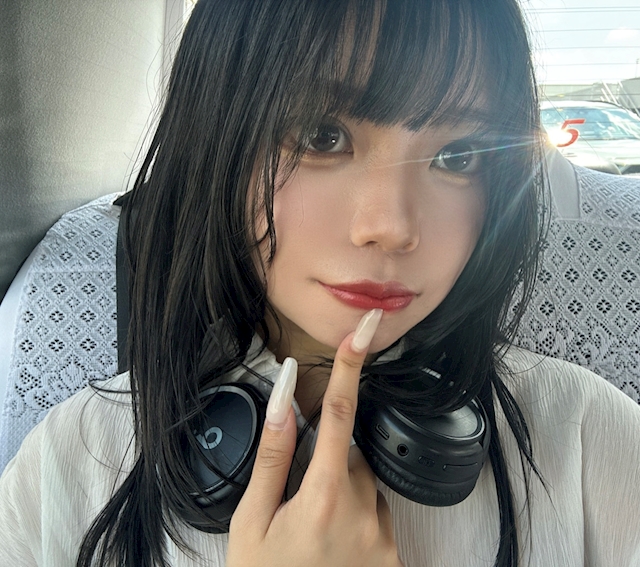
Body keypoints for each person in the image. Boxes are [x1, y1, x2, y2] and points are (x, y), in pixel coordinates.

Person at [1, 1, 639, 566]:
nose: (391, 227)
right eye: (322, 136)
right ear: (215, 141)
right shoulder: (70, 461)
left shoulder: (589, 436)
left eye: (457, 157)